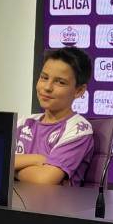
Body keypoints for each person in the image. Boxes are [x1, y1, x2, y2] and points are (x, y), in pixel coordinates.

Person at [14, 47, 94, 186]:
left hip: (53, 206)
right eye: (44, 78)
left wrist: (10, 171)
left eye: (60, 82)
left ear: (79, 91)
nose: (47, 87)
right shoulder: (24, 122)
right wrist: (36, 159)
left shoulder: (79, 129)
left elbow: (45, 180)